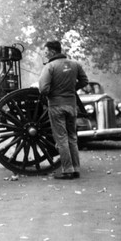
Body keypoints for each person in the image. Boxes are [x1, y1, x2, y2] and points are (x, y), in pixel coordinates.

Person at [38, 40, 89, 180]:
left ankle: (67, 170)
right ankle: (76, 169)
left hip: (56, 106)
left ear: (53, 52)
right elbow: (85, 81)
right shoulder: (75, 64)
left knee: (61, 138)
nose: (45, 53)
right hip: (72, 106)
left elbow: (43, 89)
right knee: (72, 137)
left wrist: (53, 92)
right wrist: (72, 89)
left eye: (46, 51)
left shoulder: (50, 66)